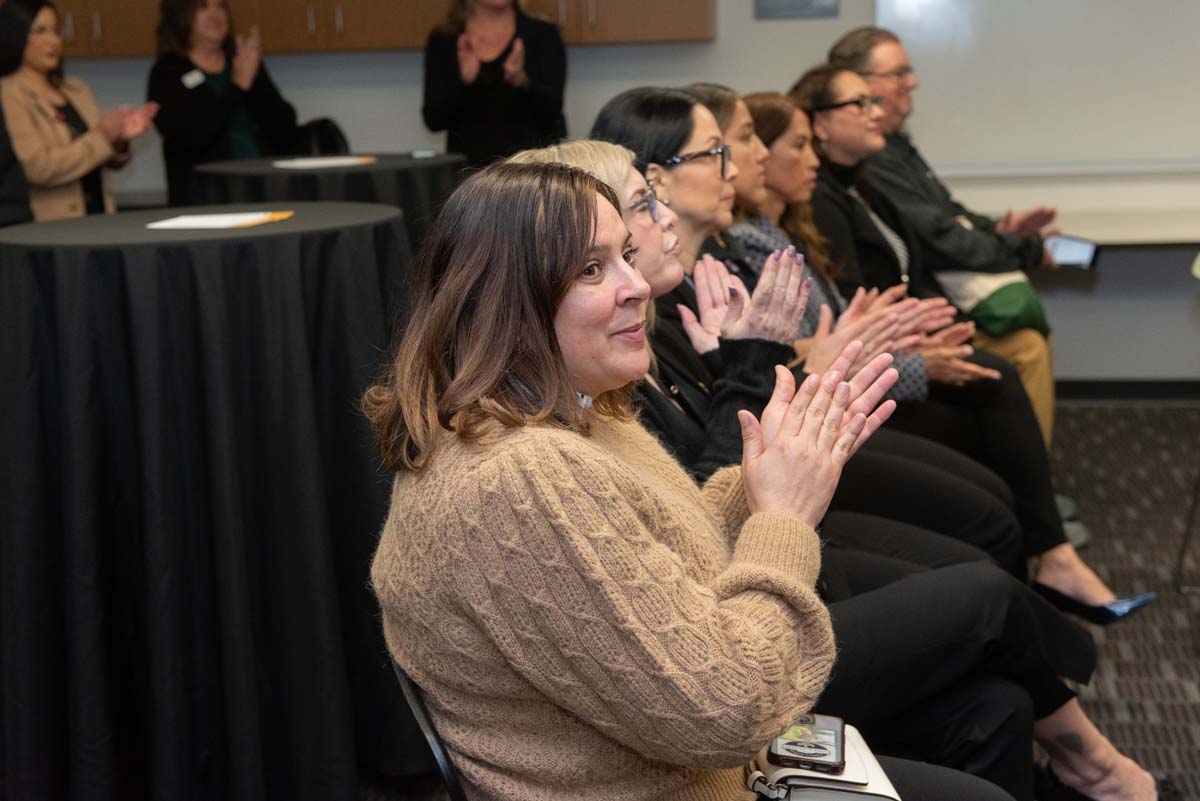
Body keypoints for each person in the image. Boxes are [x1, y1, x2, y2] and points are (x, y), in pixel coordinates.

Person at [367, 156, 1023, 801]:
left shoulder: (571, 414)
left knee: (994, 708)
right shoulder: (521, 477)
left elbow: (680, 548)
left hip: (702, 763)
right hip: (698, 769)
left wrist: (774, 473)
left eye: (626, 255)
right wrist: (782, 519)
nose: (637, 285)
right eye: (591, 268)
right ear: (505, 300)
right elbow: (728, 711)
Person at [792, 64, 1155, 623]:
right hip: (865, 381)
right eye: (858, 103)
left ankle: (1048, 552)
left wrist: (1000, 242)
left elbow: (943, 226)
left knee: (999, 381)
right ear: (820, 125)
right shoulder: (823, 201)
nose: (876, 110)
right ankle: (1048, 555)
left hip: (891, 348)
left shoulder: (861, 183)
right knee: (999, 384)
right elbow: (845, 319)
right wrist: (921, 352)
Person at [828, 26, 1059, 447]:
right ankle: (1030, 471)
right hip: (910, 320)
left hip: (919, 311)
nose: (912, 82)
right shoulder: (874, 163)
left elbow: (948, 214)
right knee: (1025, 348)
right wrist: (1025, 248)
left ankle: (1028, 468)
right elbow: (940, 239)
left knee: (1027, 342)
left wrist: (999, 231)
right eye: (899, 74)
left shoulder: (892, 148)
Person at [0, 0, 156, 221]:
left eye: (56, 31)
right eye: (40, 31)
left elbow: (102, 157)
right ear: (13, 34)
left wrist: (119, 138)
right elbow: (36, 168)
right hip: (50, 224)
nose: (53, 41)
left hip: (99, 217)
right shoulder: (9, 93)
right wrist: (103, 138)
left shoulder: (75, 89)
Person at [147, 0, 298, 206]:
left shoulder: (241, 60)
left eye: (221, 6)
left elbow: (286, 130)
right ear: (181, 14)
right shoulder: (168, 72)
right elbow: (192, 138)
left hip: (264, 191)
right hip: (204, 200)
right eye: (203, 7)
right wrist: (237, 87)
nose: (215, 15)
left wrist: (254, 80)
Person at [422, 0, 566, 168]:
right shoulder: (445, 39)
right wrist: (464, 83)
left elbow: (553, 110)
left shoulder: (543, 34)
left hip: (532, 171)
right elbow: (433, 120)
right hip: (470, 173)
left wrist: (522, 81)